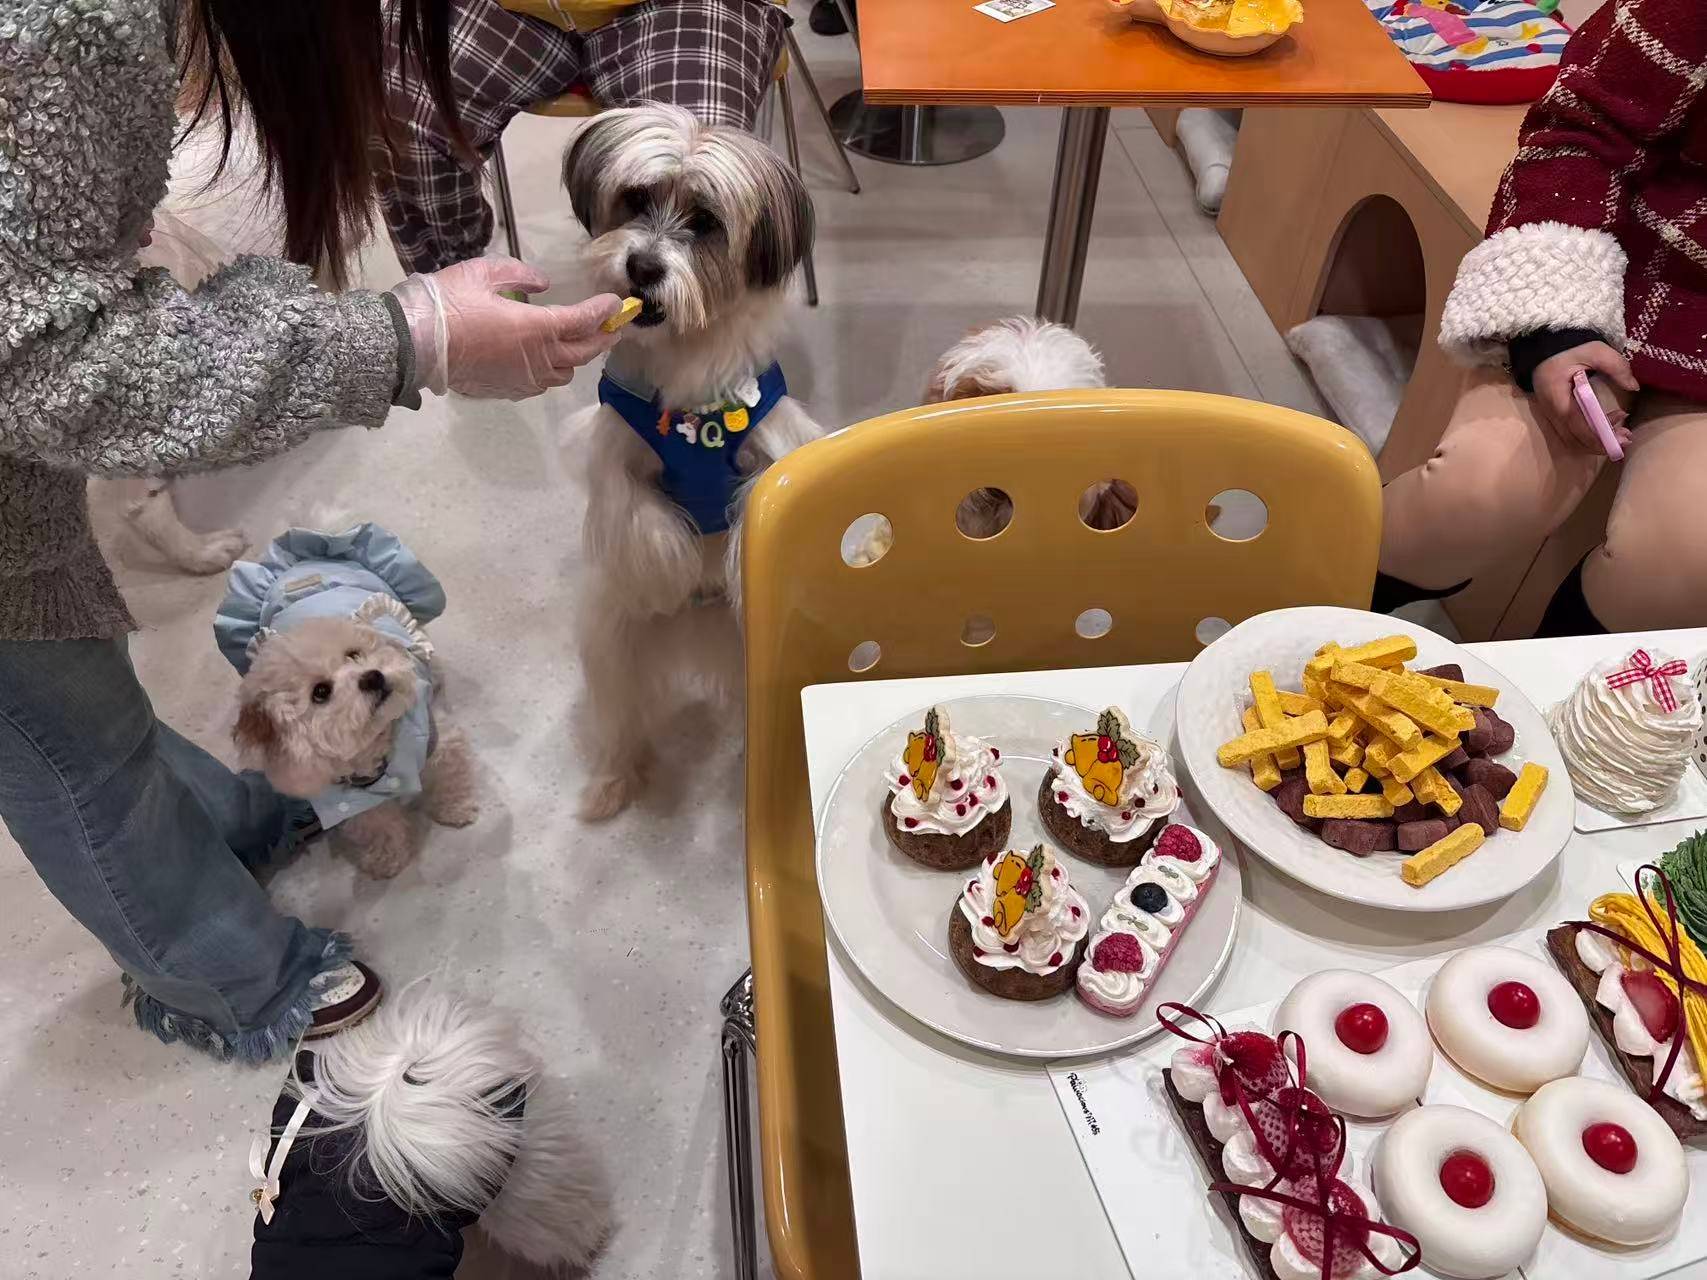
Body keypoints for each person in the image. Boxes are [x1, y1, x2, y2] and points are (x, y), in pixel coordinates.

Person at [0, 0, 622, 1063]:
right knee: (64, 747)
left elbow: (67, 290)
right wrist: (404, 340)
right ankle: (225, 976)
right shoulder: (70, 22)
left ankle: (228, 830)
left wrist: (404, 325)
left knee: (82, 689)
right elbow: (53, 359)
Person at [1376, 0, 1707, 635]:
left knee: (1682, 566)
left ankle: (1564, 725)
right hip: (1618, 266)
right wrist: (1556, 325)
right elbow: (1579, 126)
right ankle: (1291, 635)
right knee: (1477, 493)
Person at [378, 0, 790, 274]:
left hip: (682, 7)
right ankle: (457, 289)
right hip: (510, 7)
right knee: (398, 123)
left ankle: (687, 321)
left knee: (709, 161)